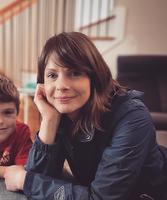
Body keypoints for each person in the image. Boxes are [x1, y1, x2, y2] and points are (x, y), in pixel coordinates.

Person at [3, 32, 167, 200]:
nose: (61, 86)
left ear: (95, 77)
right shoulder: (61, 111)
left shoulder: (133, 117)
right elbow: (40, 179)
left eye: (74, 73)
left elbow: (101, 198)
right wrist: (49, 121)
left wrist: (26, 181)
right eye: (52, 75)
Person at [0, 72, 32, 178]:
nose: (1, 121)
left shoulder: (22, 132)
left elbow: (23, 171)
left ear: (17, 113)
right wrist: (6, 172)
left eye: (8, 112)